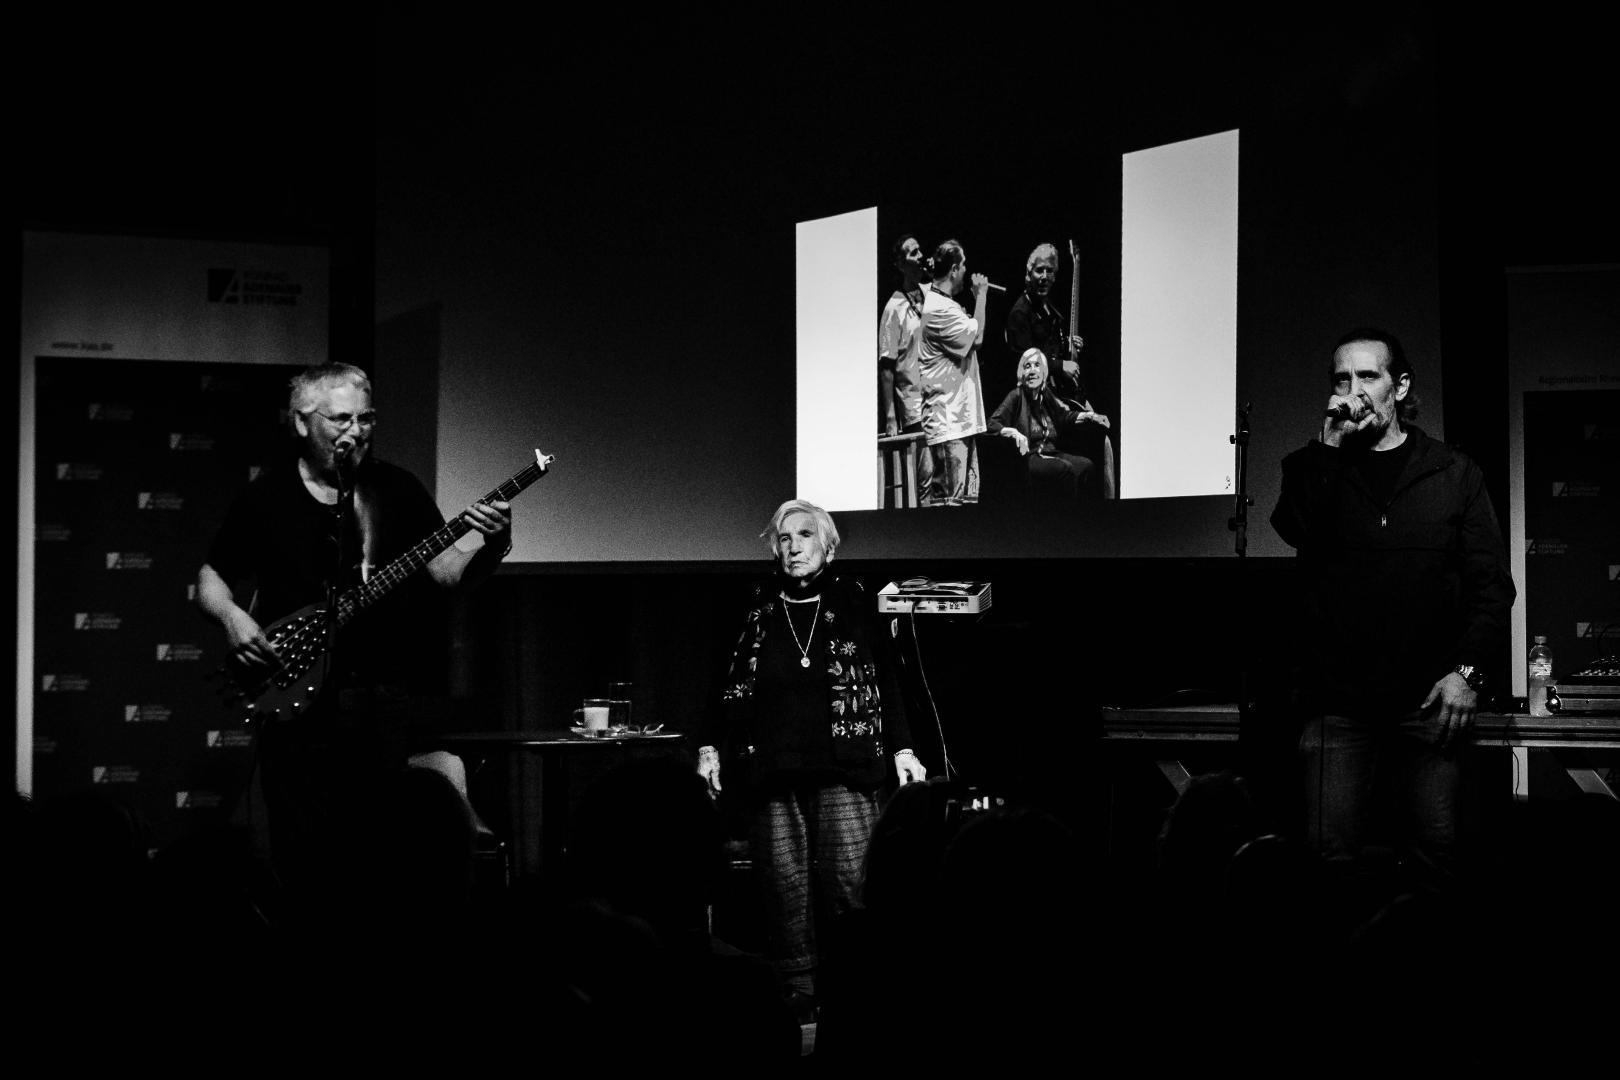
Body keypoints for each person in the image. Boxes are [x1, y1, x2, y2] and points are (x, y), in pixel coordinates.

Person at [195, 362, 512, 923]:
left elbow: (445, 573)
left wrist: (492, 546)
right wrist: (233, 619)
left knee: (378, 851)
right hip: (296, 703)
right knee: (302, 852)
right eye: (341, 419)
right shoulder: (267, 496)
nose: (356, 431)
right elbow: (210, 578)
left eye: (365, 419)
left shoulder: (398, 488)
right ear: (301, 422)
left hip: (379, 700)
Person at [1270, 328, 1514, 894]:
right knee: (1328, 861)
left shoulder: (1453, 473)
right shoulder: (1315, 466)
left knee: (1435, 857)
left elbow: (1491, 587)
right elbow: (1294, 529)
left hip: (1428, 704)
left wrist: (1466, 673)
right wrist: (1328, 449)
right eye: (1341, 379)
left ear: (1399, 387)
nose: (1352, 390)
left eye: (1367, 376)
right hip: (1338, 706)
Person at [695, 499, 926, 1019]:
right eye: (784, 538)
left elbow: (887, 681)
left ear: (828, 547)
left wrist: (904, 749)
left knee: (850, 884)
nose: (793, 547)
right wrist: (708, 747)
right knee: (784, 888)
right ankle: (798, 994)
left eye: (804, 535)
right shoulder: (755, 605)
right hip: (770, 769)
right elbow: (721, 682)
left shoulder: (854, 600)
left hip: (844, 768)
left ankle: (856, 990)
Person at [916, 239, 991, 505]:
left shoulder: (946, 305)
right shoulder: (939, 308)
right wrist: (981, 295)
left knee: (966, 504)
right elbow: (977, 337)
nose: (967, 271)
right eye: (964, 265)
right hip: (949, 423)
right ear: (954, 269)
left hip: (960, 422)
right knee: (950, 505)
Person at [987, 347, 1109, 502]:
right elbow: (992, 423)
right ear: (1022, 373)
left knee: (1086, 466)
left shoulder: (1046, 395)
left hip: (1051, 452)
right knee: (1065, 469)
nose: (1032, 371)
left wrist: (1090, 416)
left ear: (1044, 372)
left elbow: (1063, 416)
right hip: (1030, 457)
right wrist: (1012, 432)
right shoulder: (1016, 395)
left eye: (1037, 365)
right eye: (1027, 366)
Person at [879, 233, 933, 501]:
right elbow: (887, 367)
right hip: (916, 406)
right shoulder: (894, 308)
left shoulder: (933, 294)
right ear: (900, 264)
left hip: (941, 399)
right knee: (926, 479)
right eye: (913, 253)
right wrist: (891, 416)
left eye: (920, 250)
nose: (920, 256)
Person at [1003, 242, 1086, 401]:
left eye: (1049, 271)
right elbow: (1025, 360)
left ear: (1054, 277)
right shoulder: (1020, 313)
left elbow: (1049, 346)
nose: (1044, 277)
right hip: (1036, 399)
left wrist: (1068, 344)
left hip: (1058, 393)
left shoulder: (1049, 307)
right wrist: (1060, 366)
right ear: (1029, 274)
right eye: (1039, 270)